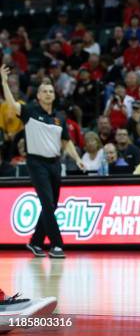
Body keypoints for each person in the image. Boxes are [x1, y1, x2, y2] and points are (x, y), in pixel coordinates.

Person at [1, 66, 85, 259]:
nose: (48, 94)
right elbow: (13, 105)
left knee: (52, 205)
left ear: (54, 96)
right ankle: (57, 245)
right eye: (44, 91)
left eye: (50, 91)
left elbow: (66, 142)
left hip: (55, 163)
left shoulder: (59, 119)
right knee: (47, 203)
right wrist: (4, 82)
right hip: (36, 163)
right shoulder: (30, 112)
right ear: (38, 96)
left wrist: (77, 158)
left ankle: (36, 242)